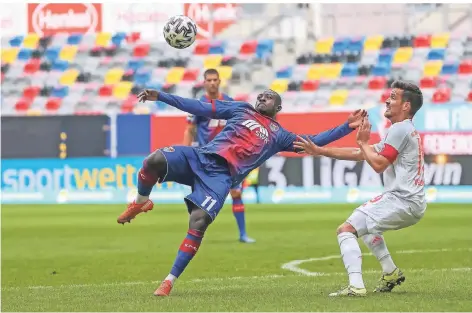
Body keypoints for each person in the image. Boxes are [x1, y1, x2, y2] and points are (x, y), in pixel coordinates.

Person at [117, 88, 366, 296]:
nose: (261, 98)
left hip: (220, 177)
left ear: (278, 108)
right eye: (260, 95)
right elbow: (199, 107)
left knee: (198, 222)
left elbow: (314, 141)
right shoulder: (241, 109)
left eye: (268, 97)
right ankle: (140, 202)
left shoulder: (279, 135)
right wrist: (160, 96)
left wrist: (347, 126)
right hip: (200, 157)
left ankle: (169, 280)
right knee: (153, 160)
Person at [294, 80, 426, 297]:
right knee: (367, 228)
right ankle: (390, 272)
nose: (387, 100)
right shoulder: (402, 130)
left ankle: (356, 286)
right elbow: (360, 154)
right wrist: (319, 150)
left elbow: (378, 164)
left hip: (402, 200)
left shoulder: (400, 129)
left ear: (406, 106)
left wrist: (363, 142)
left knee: (346, 230)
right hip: (410, 201)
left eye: (393, 97)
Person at [183, 68, 255, 243]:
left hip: (228, 157)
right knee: (198, 197)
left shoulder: (229, 102)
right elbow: (190, 129)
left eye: (215, 79)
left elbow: (239, 129)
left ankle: (243, 234)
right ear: (204, 82)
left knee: (236, 194)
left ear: (220, 81)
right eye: (209, 80)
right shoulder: (198, 104)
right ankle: (193, 234)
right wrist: (186, 154)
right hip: (205, 156)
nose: (213, 83)